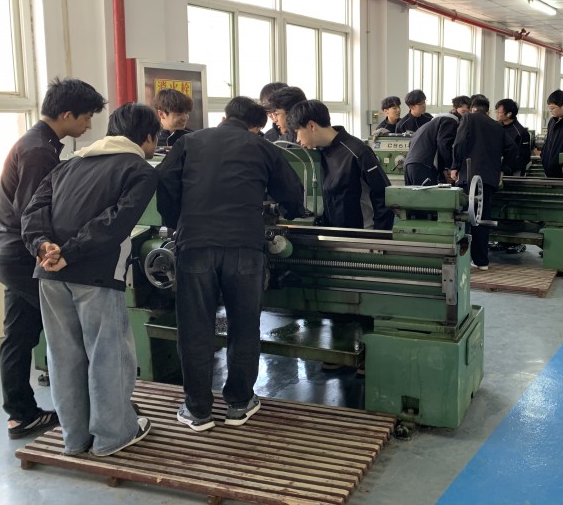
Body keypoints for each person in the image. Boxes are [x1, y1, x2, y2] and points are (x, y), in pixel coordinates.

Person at [156, 96, 306, 432]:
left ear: (225, 117)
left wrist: (175, 222)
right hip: (244, 247)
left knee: (195, 328)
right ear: (256, 126)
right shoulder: (262, 147)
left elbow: (164, 182)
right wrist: (291, 212)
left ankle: (197, 410)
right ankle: (239, 403)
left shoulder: (188, 143)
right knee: (244, 325)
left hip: (195, 245)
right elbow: (292, 193)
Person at [20, 103, 159, 456]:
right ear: (147, 138)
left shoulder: (69, 164)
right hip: (96, 275)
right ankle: (113, 435)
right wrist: (71, 252)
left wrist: (43, 246)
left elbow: (33, 211)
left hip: (49, 273)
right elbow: (116, 222)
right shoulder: (139, 170)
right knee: (107, 353)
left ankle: (75, 438)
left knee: (62, 355)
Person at [0, 77, 106, 440]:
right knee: (72, 331)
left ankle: (21, 415)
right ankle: (97, 412)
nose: (88, 125)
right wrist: (56, 252)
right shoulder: (39, 151)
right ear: (68, 114)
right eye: (86, 117)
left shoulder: (36, 143)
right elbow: (34, 211)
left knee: (19, 335)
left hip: (10, 254)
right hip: (26, 256)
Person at [289, 99, 394, 231]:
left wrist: (380, 235)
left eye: (297, 132)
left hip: (360, 235)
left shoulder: (358, 152)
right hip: (334, 233)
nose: (297, 140)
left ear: (312, 126)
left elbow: (383, 195)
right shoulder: (320, 152)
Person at [449, 95, 518, 270]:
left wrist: (455, 166)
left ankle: (462, 260)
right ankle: (481, 261)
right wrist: (503, 169)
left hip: (468, 177)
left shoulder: (468, 118)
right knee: (482, 218)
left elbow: (459, 143)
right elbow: (512, 149)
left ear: (472, 108)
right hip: (488, 179)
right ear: (487, 111)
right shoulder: (497, 126)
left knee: (464, 218)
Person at [403, 111, 459, 186]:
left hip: (409, 165)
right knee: (428, 193)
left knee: (413, 193)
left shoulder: (425, 127)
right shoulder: (450, 121)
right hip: (423, 166)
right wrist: (451, 167)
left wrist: (443, 169)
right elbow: (443, 144)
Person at [495, 98, 532, 175]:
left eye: (499, 112)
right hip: (496, 169)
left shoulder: (521, 132)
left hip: (513, 172)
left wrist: (505, 169)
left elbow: (524, 158)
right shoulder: (495, 127)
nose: (496, 115)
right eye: (496, 112)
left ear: (509, 114)